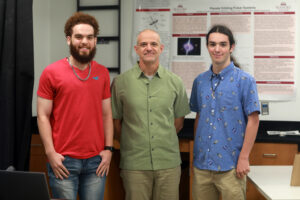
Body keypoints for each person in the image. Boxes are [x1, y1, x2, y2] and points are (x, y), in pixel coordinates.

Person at [37, 12, 113, 200]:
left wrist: (108, 150)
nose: (84, 41)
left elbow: (106, 115)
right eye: (79, 37)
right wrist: (50, 153)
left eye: (89, 37)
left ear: (95, 41)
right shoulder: (51, 72)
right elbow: (42, 116)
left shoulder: (102, 73)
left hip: (96, 161)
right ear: (69, 40)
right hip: (63, 161)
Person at [111, 29, 190, 200]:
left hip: (168, 163)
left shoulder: (175, 81)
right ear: (136, 49)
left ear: (161, 48)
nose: (149, 48)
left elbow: (178, 122)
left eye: (153, 44)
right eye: (143, 44)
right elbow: (115, 123)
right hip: (134, 164)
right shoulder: (120, 82)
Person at [190, 25, 260, 200]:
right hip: (202, 166)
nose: (217, 49)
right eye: (212, 44)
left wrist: (244, 158)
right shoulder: (200, 81)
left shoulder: (245, 80)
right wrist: (196, 155)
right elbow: (199, 117)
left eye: (222, 44)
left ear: (231, 47)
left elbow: (253, 120)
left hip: (232, 166)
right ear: (207, 47)